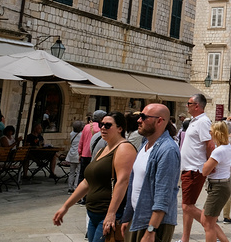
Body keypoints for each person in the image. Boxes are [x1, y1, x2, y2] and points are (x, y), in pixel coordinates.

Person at [53, 112, 137, 242]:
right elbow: (87, 182)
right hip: (93, 214)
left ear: (120, 128)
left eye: (108, 125)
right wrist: (66, 206)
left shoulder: (124, 148)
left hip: (108, 215)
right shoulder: (102, 150)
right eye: (101, 124)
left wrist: (111, 213)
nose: (103, 128)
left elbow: (123, 182)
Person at [120, 104, 180, 242]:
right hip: (138, 217)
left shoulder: (168, 150)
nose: (138, 120)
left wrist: (151, 231)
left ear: (160, 121)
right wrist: (128, 217)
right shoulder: (145, 144)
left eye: (143, 117)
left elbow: (163, 194)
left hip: (153, 224)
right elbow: (135, 183)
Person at [179, 94, 213, 242]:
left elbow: (209, 145)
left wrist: (208, 167)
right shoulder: (194, 121)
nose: (187, 106)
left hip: (195, 169)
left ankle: (213, 230)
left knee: (187, 207)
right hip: (188, 168)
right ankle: (185, 238)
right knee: (189, 205)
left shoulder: (203, 122)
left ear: (197, 106)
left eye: (189, 103)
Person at [200, 122, 231, 242]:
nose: (209, 133)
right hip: (220, 185)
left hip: (218, 187)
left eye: (211, 131)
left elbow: (205, 171)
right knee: (206, 220)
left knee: (208, 224)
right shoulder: (226, 147)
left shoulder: (218, 151)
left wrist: (203, 161)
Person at [77, 110, 106, 205]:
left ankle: (78, 197)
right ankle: (87, 197)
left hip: (84, 155)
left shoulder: (86, 127)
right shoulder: (101, 128)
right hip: (93, 155)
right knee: (91, 178)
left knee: (82, 176)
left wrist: (80, 153)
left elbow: (81, 141)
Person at [64, 121, 83, 194]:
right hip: (78, 154)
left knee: (71, 172)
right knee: (78, 172)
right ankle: (75, 187)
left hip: (71, 154)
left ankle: (69, 187)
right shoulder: (81, 135)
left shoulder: (71, 134)